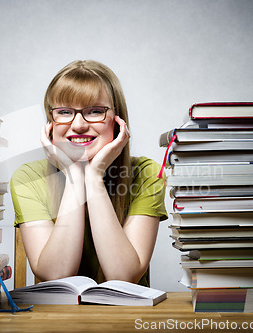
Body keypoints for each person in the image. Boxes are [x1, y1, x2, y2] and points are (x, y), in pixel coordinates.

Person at [10, 60, 167, 287]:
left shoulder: (147, 174)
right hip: (52, 320)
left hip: (126, 319)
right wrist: (75, 177)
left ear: (118, 121)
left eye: (95, 111)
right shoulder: (28, 179)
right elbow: (57, 276)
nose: (79, 125)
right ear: (50, 122)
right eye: (64, 112)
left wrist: (94, 177)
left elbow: (122, 277)